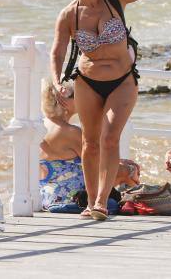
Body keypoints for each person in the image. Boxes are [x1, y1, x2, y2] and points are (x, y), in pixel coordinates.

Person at [50, 0, 171, 220]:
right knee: (90, 142)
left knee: (110, 138)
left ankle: (100, 201)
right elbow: (58, 52)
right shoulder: (69, 15)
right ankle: (90, 200)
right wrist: (58, 81)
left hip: (122, 80)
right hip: (87, 82)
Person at [39, 80, 139, 214]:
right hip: (71, 201)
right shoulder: (70, 132)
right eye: (77, 94)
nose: (83, 98)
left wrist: (121, 163)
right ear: (63, 101)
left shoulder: (42, 126)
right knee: (126, 176)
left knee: (121, 170)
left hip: (48, 198)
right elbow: (101, 165)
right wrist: (130, 169)